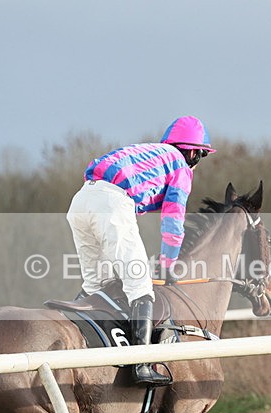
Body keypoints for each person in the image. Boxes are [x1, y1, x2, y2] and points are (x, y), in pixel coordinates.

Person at [66, 116, 216, 386]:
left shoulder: (152, 152)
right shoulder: (181, 166)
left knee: (95, 284)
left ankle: (71, 335)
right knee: (140, 285)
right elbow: (173, 221)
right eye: (200, 155)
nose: (198, 161)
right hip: (111, 202)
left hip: (81, 200)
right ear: (192, 151)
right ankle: (142, 364)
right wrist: (169, 263)